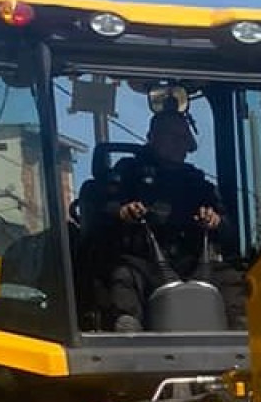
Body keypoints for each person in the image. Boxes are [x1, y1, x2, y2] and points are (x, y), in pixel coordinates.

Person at [79, 106, 223, 332]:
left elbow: (228, 228)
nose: (179, 143)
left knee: (233, 279)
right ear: (152, 138)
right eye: (171, 136)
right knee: (123, 276)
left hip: (195, 265)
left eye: (184, 138)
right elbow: (99, 215)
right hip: (141, 262)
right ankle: (128, 333)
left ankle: (248, 333)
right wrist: (122, 212)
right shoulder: (125, 174)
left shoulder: (197, 183)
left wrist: (216, 220)